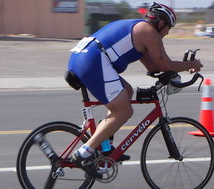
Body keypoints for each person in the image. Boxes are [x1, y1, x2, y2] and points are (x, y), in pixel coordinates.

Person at [67, 2, 202, 178]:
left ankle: (104, 147)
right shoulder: (148, 31)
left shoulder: (139, 29)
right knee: (123, 110)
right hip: (92, 60)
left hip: (83, 57)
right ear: (161, 23)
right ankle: (83, 153)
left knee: (126, 91)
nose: (167, 33)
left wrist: (174, 70)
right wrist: (190, 65)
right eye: (168, 28)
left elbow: (154, 66)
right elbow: (164, 63)